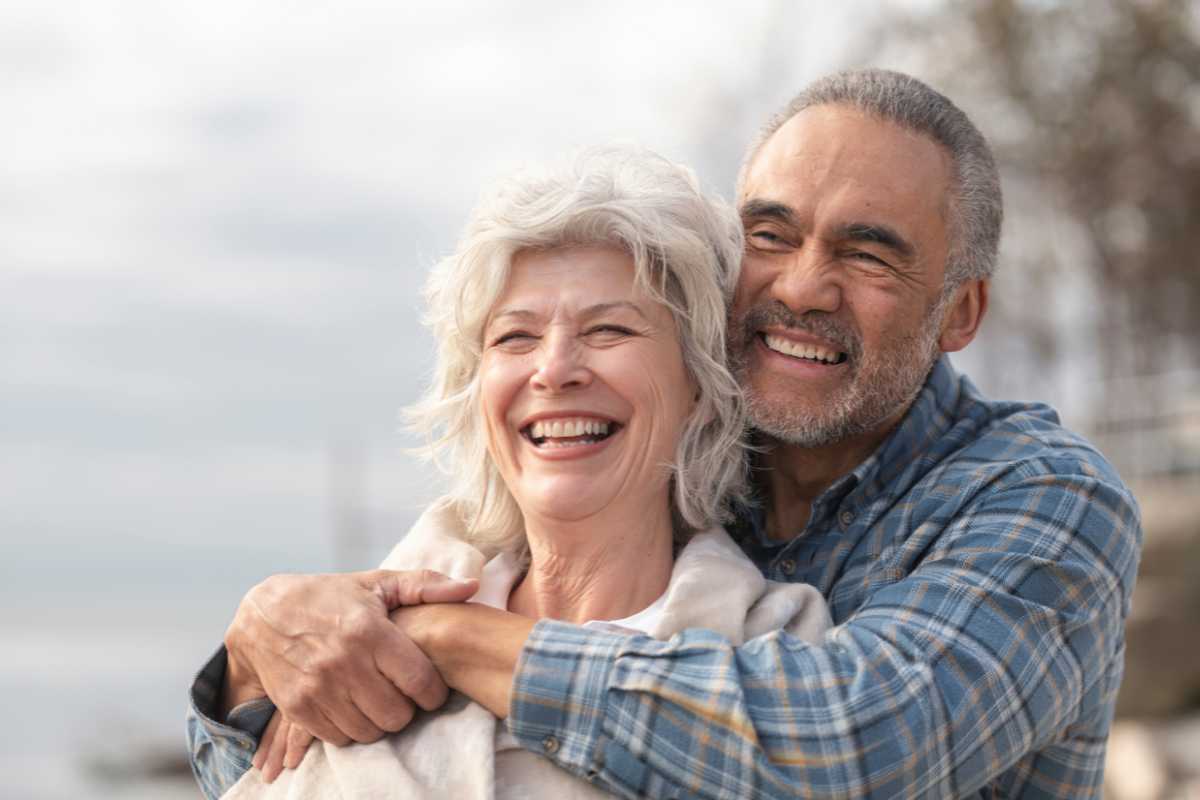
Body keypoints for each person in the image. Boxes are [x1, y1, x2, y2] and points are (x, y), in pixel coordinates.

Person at [189, 68, 1142, 799]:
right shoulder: (656, 466)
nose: (802, 287)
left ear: (960, 312)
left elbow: (859, 741)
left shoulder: (1045, 497)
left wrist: (448, 639)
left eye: (866, 252)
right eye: (770, 236)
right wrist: (254, 652)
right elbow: (270, 750)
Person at [190, 146, 833, 799]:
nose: (554, 369)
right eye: (515, 338)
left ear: (697, 381)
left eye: (609, 329)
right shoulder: (346, 640)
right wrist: (246, 657)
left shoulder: (776, 651)